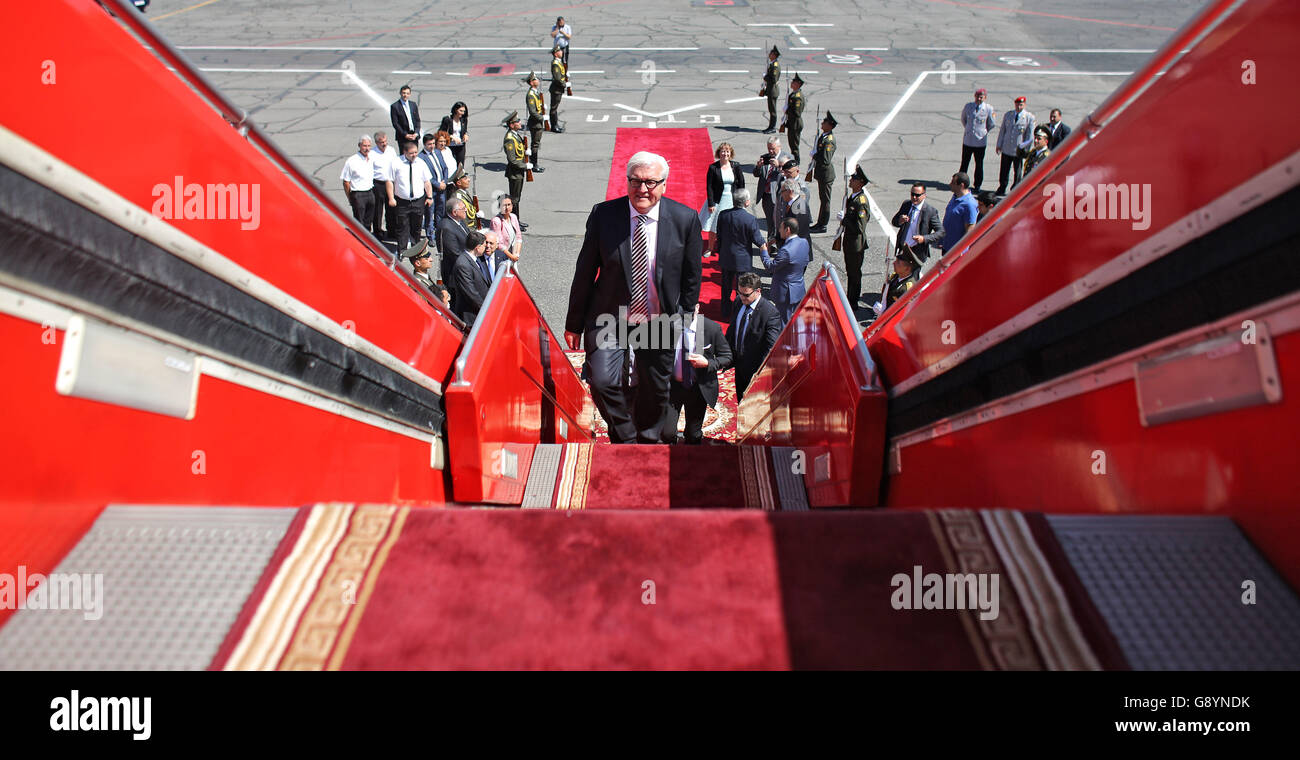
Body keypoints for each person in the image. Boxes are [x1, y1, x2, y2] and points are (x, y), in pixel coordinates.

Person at [564, 151, 703, 444]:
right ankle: (624, 435)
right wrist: (574, 323)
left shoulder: (684, 219)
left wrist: (684, 318)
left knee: (656, 387)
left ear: (664, 185)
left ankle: (649, 438)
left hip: (659, 319)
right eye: (635, 181)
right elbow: (585, 271)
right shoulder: (604, 215)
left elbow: (692, 276)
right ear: (626, 181)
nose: (642, 189)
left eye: (651, 182)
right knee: (601, 381)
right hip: (609, 318)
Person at [660, 307, 732, 445]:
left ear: (697, 308)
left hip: (697, 388)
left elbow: (727, 357)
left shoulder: (711, 328)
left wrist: (707, 363)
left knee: (693, 435)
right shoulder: (667, 326)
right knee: (666, 433)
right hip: (673, 387)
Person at [726, 272, 782, 401]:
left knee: (752, 405)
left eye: (746, 295)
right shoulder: (738, 302)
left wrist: (759, 375)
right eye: (739, 293)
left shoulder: (770, 313)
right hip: (738, 364)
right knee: (740, 399)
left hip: (753, 370)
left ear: (758, 291)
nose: (742, 297)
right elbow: (733, 329)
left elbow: (770, 348)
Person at [716, 188, 767, 313]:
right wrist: (765, 248)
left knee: (726, 286)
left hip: (727, 256)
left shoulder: (723, 215)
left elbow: (720, 235)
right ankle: (740, 310)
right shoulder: (750, 219)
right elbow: (758, 239)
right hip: (742, 260)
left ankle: (725, 309)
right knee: (744, 288)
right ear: (746, 202)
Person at [386, 140, 434, 251]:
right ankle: (402, 250)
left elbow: (427, 182)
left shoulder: (421, 163)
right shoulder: (396, 163)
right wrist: (391, 198)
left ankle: (415, 249)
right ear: (405, 152)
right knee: (402, 226)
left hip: (418, 200)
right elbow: (389, 181)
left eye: (416, 152)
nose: (414, 155)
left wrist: (430, 196)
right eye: (411, 153)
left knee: (416, 227)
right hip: (402, 201)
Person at [762, 216, 811, 323]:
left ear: (787, 230)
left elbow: (770, 267)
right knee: (796, 320)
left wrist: (764, 252)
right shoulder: (804, 242)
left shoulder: (786, 250)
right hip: (798, 289)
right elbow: (805, 261)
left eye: (780, 228)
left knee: (783, 322)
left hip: (785, 293)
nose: (779, 230)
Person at [836, 164, 871, 305]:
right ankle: (850, 297)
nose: (851, 180)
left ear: (860, 182)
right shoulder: (853, 197)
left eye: (854, 179)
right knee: (850, 271)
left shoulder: (861, 202)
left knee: (854, 273)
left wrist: (844, 219)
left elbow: (860, 227)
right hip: (850, 241)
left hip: (856, 243)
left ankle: (853, 300)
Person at [703, 142, 743, 255]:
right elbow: (709, 186)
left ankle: (727, 247)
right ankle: (710, 248)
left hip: (732, 200)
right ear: (719, 153)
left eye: (727, 151)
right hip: (717, 200)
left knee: (731, 225)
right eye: (723, 151)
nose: (725, 154)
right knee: (714, 225)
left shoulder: (736, 166)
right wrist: (711, 203)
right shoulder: (713, 167)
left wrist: (743, 200)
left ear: (730, 154)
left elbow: (741, 184)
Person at [891, 183, 944, 267]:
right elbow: (894, 221)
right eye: (912, 194)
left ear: (924, 195)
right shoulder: (906, 204)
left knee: (913, 278)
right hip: (903, 249)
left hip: (917, 252)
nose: (914, 197)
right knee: (900, 276)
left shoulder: (930, 211)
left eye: (917, 195)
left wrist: (924, 238)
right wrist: (900, 221)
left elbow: (941, 232)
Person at [995, 96, 1036, 195]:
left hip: (1018, 150)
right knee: (1004, 170)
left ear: (1024, 105)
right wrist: (999, 144)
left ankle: (1015, 190)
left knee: (1017, 171)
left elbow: (1030, 135)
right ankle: (1002, 187)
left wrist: (1026, 149)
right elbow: (1002, 131)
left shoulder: (1029, 117)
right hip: (1007, 147)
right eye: (1017, 104)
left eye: (1021, 105)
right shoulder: (1008, 115)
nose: (1019, 106)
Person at [451, 229, 492, 324]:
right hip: (471, 315)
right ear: (477, 247)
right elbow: (470, 292)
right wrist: (486, 308)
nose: (485, 248)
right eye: (484, 246)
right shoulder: (463, 265)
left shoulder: (475, 259)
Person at [960, 88, 997, 192]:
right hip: (968, 140)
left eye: (981, 97)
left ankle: (977, 185)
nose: (979, 99)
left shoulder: (988, 108)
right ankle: (961, 183)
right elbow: (963, 119)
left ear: (985, 98)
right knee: (964, 163)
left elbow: (992, 123)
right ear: (974, 96)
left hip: (980, 141)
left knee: (979, 164)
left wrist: (984, 131)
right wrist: (968, 129)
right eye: (977, 96)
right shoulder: (968, 106)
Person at [419, 132, 454, 242]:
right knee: (430, 214)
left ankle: (440, 233)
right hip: (432, 190)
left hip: (442, 188)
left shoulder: (438, 152)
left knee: (441, 212)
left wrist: (444, 180)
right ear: (424, 144)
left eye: (433, 143)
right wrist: (438, 184)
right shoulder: (421, 157)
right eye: (429, 144)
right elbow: (426, 178)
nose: (432, 146)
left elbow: (445, 168)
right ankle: (431, 236)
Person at [340, 135, 376, 230]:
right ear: (359, 145)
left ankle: (367, 241)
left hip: (370, 193)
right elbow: (346, 182)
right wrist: (350, 197)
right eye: (364, 146)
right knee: (359, 223)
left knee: (368, 222)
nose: (367, 148)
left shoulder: (371, 158)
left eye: (368, 146)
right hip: (358, 194)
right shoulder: (352, 161)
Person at [809, 111, 837, 232]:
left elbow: (825, 159)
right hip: (822, 173)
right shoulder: (824, 136)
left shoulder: (829, 140)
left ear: (830, 125)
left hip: (826, 174)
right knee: (822, 199)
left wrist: (815, 155)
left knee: (825, 201)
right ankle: (820, 223)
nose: (822, 123)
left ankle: (823, 224)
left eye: (824, 122)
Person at [873, 248, 922, 317]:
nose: (894, 263)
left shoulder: (908, 289)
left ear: (907, 268)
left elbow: (903, 313)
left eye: (898, 262)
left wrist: (884, 313)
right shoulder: (895, 275)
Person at [402, 238, 450, 307]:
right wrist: (444, 302)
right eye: (426, 259)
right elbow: (426, 307)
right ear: (418, 263)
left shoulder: (425, 277)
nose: (431, 260)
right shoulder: (418, 284)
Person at [502, 111, 529, 227]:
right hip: (515, 173)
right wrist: (525, 166)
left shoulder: (515, 135)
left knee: (517, 198)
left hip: (518, 172)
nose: (519, 122)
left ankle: (516, 220)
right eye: (517, 121)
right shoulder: (509, 139)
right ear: (511, 125)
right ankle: (513, 222)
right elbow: (512, 159)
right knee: (514, 199)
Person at [940, 172, 979, 255]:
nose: (950, 184)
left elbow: (970, 229)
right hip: (947, 246)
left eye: (953, 183)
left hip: (956, 251)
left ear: (961, 185)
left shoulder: (970, 204)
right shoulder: (955, 196)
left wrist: (961, 250)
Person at [370, 131, 398, 240]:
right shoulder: (372, 153)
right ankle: (378, 231)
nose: (384, 144)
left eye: (385, 141)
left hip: (391, 182)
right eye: (382, 142)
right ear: (377, 142)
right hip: (378, 183)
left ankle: (391, 230)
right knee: (378, 209)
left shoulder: (391, 150)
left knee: (391, 208)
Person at [439, 196, 471, 286]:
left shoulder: (459, 220)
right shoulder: (447, 228)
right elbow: (455, 253)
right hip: (455, 274)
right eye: (463, 209)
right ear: (454, 212)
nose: (466, 210)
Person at [753, 136, 783, 233]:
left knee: (779, 223)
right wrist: (758, 166)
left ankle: (779, 244)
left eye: (773, 149)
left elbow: (790, 177)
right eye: (768, 148)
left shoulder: (786, 157)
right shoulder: (765, 157)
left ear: (779, 147)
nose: (770, 151)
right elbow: (756, 174)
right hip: (766, 196)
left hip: (779, 196)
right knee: (770, 223)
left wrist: (779, 167)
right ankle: (771, 244)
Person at [775, 177, 812, 248]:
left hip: (797, 248)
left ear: (790, 191)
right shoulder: (794, 203)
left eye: (782, 192)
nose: (781, 195)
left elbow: (798, 232)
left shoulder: (798, 208)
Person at [523, 72, 546, 173]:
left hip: (537, 122)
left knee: (536, 144)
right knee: (535, 144)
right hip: (535, 123)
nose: (538, 80)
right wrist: (542, 118)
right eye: (535, 79)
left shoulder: (535, 92)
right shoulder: (531, 95)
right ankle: (534, 164)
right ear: (531, 83)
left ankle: (534, 163)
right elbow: (532, 112)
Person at [491, 195, 523, 266]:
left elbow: (519, 237)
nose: (507, 207)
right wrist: (511, 256)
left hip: (513, 255)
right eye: (504, 205)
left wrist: (517, 254)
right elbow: (498, 244)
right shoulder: (496, 221)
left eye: (509, 204)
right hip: (502, 257)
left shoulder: (514, 217)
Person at [389, 86, 421, 151]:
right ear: (400, 93)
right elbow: (395, 123)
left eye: (407, 93)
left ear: (410, 94)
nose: (405, 95)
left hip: (414, 135)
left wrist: (416, 132)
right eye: (403, 93)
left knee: (414, 154)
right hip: (403, 137)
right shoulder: (395, 106)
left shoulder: (413, 104)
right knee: (404, 155)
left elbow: (417, 120)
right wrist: (405, 134)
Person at [438, 102, 469, 167]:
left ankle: (459, 176)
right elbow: (441, 132)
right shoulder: (447, 119)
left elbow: (465, 130)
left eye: (464, 111)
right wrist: (451, 137)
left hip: (460, 145)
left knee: (460, 164)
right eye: (460, 111)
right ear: (455, 110)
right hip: (450, 145)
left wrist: (466, 134)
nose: (462, 113)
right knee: (450, 164)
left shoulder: (464, 120)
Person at [784, 73, 806, 156]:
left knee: (794, 146)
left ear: (798, 84)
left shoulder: (797, 97)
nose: (791, 83)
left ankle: (796, 163)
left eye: (794, 82)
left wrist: (787, 110)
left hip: (795, 123)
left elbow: (797, 112)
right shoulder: (794, 94)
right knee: (792, 144)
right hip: (792, 123)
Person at [761, 45, 781, 134]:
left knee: (772, 110)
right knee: (771, 109)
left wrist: (765, 77)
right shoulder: (772, 64)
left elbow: (774, 79)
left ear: (774, 55)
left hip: (773, 90)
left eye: (771, 53)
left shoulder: (775, 66)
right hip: (770, 90)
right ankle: (770, 126)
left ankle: (772, 127)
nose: (769, 55)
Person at [549, 47, 568, 133]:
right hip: (556, 89)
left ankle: (556, 125)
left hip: (558, 88)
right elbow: (557, 78)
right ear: (556, 53)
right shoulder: (555, 63)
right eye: (560, 51)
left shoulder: (559, 62)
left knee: (555, 108)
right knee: (553, 108)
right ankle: (553, 126)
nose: (562, 52)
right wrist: (564, 84)